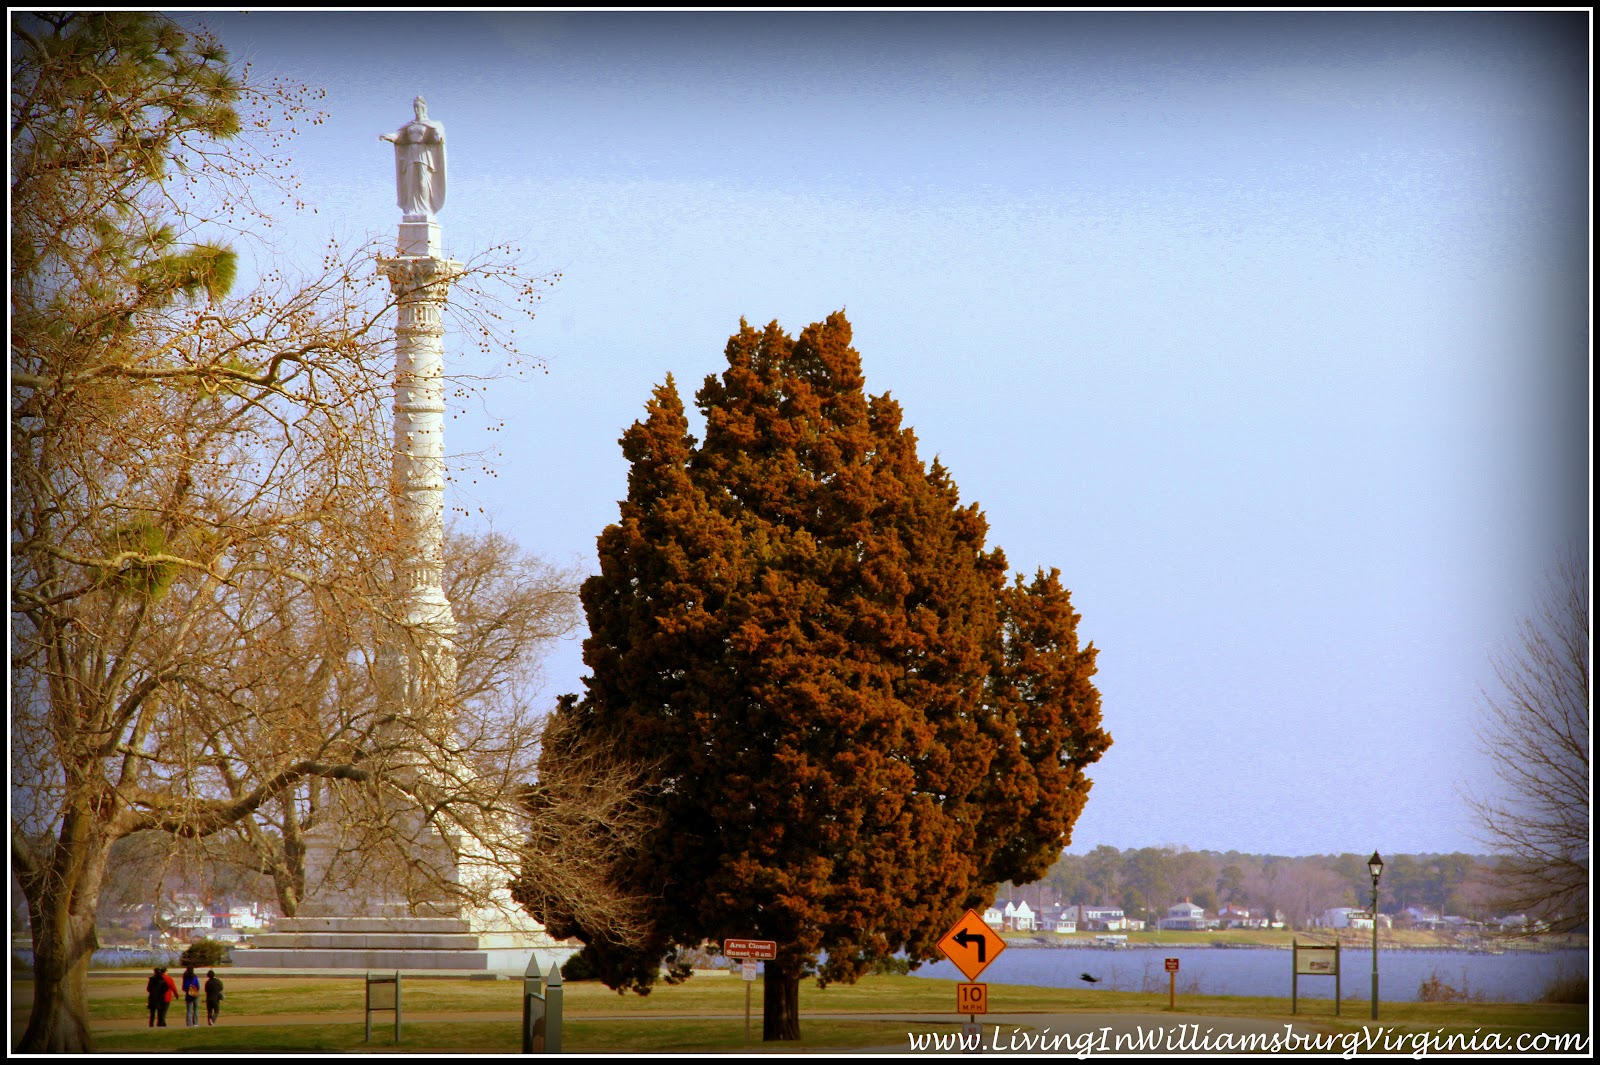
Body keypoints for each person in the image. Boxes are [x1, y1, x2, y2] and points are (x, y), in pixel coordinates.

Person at [379, 95, 446, 220]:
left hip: (423, 154)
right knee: (411, 182)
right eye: (414, 108)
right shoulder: (409, 125)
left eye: (418, 108)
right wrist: (389, 136)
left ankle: (425, 208)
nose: (416, 110)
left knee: (422, 181)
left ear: (424, 108)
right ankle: (412, 209)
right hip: (411, 154)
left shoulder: (431, 124)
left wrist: (438, 137)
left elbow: (437, 136)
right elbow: (400, 136)